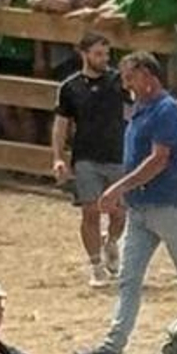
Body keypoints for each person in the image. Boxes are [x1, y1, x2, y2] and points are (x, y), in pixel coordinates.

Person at [74, 51, 177, 354]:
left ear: (147, 74)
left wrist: (118, 188)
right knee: (129, 280)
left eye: (131, 77)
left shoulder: (165, 110)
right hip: (143, 208)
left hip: (167, 205)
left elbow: (158, 160)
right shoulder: (144, 109)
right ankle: (112, 349)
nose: (126, 84)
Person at [52, 33, 126, 288]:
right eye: (98, 54)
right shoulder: (70, 88)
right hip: (86, 156)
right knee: (90, 211)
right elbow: (61, 124)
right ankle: (96, 264)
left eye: (106, 54)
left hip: (117, 154)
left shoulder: (119, 81)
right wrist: (58, 157)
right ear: (84, 54)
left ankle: (112, 241)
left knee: (119, 212)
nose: (104, 59)